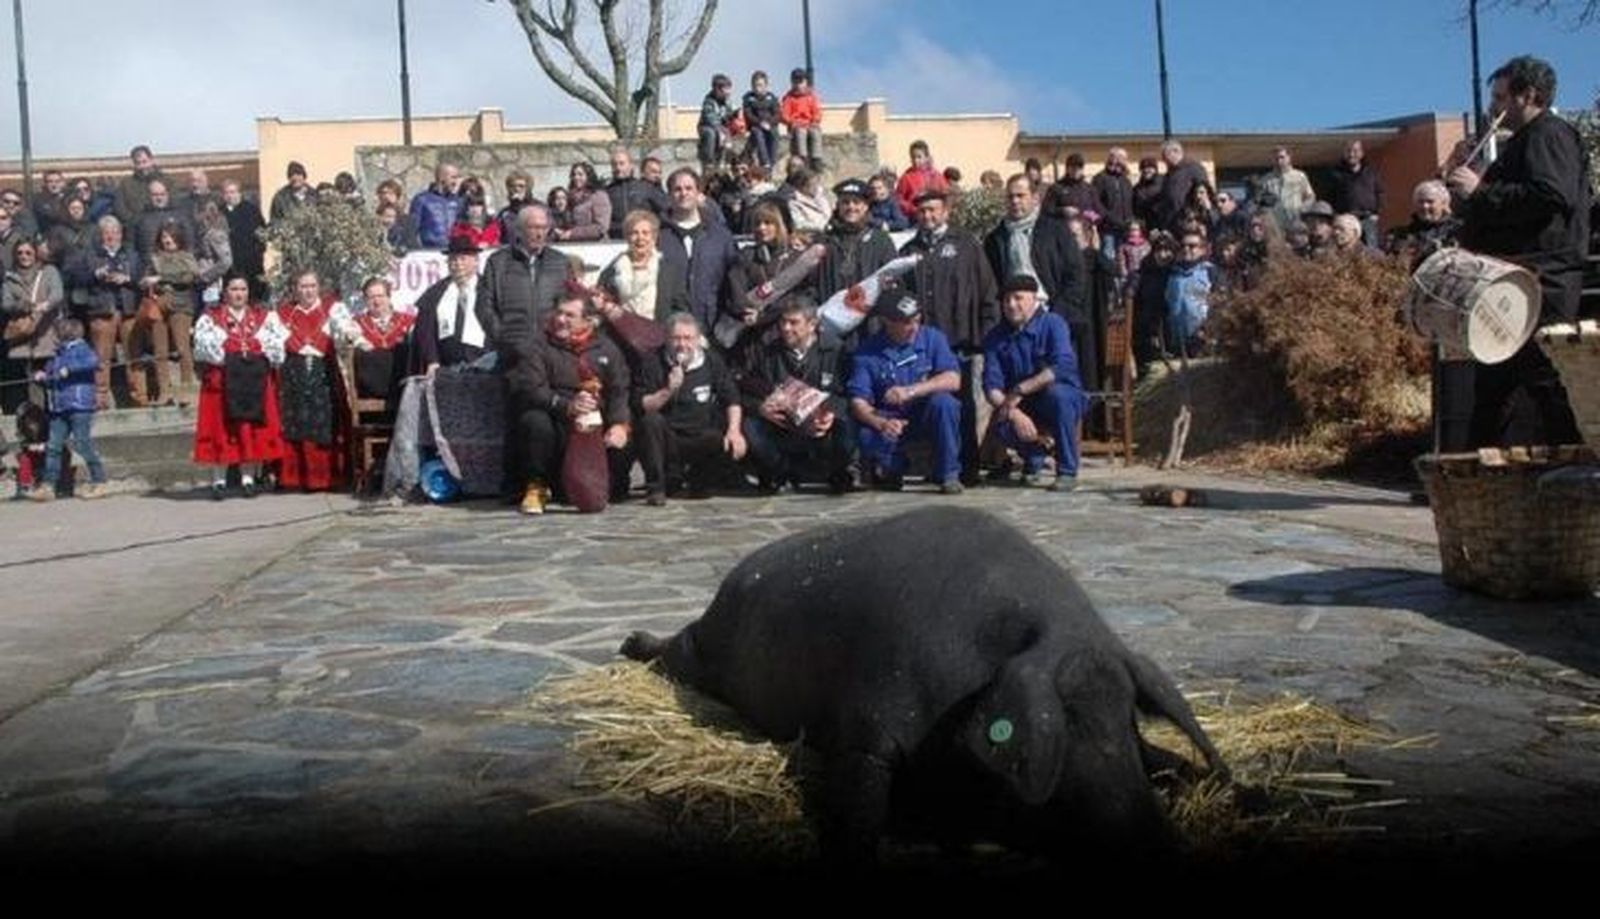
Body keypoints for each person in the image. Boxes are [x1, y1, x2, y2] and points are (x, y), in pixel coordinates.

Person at [1449, 54, 1591, 448]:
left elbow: (1551, 195)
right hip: (1519, 278)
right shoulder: (1524, 142)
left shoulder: (1549, 134)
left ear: (1527, 95)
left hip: (1542, 280)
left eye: (1500, 98)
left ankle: (1573, 466)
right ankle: (1473, 474)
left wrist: (1481, 191)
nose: (1494, 107)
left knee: (1543, 379)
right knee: (1495, 384)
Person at [901, 188, 1000, 485]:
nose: (928, 216)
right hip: (922, 346)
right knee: (931, 406)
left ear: (945, 211)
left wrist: (984, 335)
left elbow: (987, 291)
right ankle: (939, 465)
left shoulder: (967, 245)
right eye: (922, 211)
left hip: (959, 342)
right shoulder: (909, 251)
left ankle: (967, 467)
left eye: (933, 210)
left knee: (963, 407)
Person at [503, 291, 631, 515]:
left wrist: (620, 424)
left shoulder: (606, 348)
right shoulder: (538, 345)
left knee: (625, 434)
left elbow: (620, 390)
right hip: (555, 418)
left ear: (588, 320)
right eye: (559, 313)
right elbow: (533, 389)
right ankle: (536, 486)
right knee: (534, 421)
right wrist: (567, 405)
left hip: (592, 424)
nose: (561, 319)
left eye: (570, 315)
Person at [848, 289, 964, 493]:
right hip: (890, 420)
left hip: (924, 414)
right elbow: (859, 402)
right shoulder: (867, 352)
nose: (914, 327)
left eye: (917, 320)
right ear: (887, 321)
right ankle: (890, 469)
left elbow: (953, 379)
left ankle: (948, 475)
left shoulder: (932, 338)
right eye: (907, 323)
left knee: (945, 403)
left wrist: (912, 391)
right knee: (867, 436)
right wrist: (881, 423)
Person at [983, 174, 1090, 385]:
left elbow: (1076, 274)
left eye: (1021, 196)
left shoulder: (1056, 230)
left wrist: (1059, 313)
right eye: (1010, 197)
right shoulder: (996, 239)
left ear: (1035, 198)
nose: (1015, 201)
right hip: (1013, 321)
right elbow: (992, 283)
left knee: (1057, 386)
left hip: (1051, 314)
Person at [982, 274, 1086, 491]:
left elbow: (1063, 366)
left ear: (1034, 299)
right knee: (1002, 424)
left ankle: (1067, 470)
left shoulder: (1053, 324)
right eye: (1006, 300)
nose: (1011, 305)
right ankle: (1035, 455)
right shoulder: (995, 337)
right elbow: (991, 386)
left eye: (1018, 298)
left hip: (1061, 396)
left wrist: (1021, 388)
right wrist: (1014, 414)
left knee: (1059, 397)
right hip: (1020, 405)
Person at [741, 297, 855, 493]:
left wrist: (830, 413)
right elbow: (746, 390)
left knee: (848, 425)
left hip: (821, 422)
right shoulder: (768, 353)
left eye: (793, 323)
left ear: (812, 325)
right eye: (783, 322)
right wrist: (760, 408)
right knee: (751, 426)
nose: (786, 328)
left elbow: (848, 392)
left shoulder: (835, 350)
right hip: (782, 422)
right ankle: (779, 472)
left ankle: (838, 472)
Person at [192, 271, 288, 500]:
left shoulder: (262, 316)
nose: (239, 294)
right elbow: (205, 348)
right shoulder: (211, 316)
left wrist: (250, 348)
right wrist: (245, 348)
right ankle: (219, 480)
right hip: (223, 381)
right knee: (221, 428)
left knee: (250, 427)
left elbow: (275, 348)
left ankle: (248, 478)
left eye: (243, 289)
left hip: (253, 380)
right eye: (234, 289)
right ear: (225, 292)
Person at [634, 312, 746, 505]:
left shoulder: (711, 360)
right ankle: (657, 488)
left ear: (697, 340)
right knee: (650, 422)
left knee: (719, 438)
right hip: (667, 436)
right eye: (676, 338)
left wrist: (735, 430)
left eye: (688, 338)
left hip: (698, 434)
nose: (682, 344)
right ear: (667, 339)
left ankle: (699, 482)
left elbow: (732, 399)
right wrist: (668, 390)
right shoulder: (652, 360)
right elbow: (641, 404)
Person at [274, 271, 350, 492]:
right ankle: (296, 478)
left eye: (312, 286)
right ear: (295, 289)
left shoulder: (332, 310)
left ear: (318, 288)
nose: (307, 291)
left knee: (325, 424)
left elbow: (344, 335)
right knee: (295, 422)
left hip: (323, 373)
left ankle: (326, 479)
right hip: (294, 374)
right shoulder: (284, 314)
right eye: (303, 286)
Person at [30, 318, 108, 500]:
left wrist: (70, 369)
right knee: (53, 446)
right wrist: (43, 375)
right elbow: (53, 374)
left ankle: (100, 481)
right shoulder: (58, 354)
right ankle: (48, 485)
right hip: (59, 407)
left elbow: (94, 363)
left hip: (79, 406)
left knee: (82, 443)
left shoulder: (82, 349)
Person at [478, 205, 571, 358]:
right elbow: (484, 305)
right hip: (509, 351)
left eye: (544, 228)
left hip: (551, 348)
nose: (540, 234)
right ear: (519, 230)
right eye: (533, 228)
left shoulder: (560, 261)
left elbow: (568, 301)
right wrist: (501, 336)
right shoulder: (498, 262)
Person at [657, 167, 740, 335]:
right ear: (669, 195)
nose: (683, 193)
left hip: (712, 327)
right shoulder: (656, 236)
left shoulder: (720, 236)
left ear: (698, 193)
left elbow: (734, 280)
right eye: (677, 189)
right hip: (670, 329)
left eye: (689, 188)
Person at [76, 215, 141, 409]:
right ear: (101, 235)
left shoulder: (131, 254)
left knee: (134, 355)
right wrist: (96, 275)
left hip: (129, 310)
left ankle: (138, 397)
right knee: (101, 358)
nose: (111, 236)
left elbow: (141, 278)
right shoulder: (91, 254)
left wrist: (127, 279)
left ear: (121, 234)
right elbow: (78, 279)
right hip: (102, 310)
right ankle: (100, 400)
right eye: (107, 232)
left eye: (115, 232)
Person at [137, 222, 204, 405]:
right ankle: (164, 392)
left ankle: (187, 391)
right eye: (164, 236)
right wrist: (145, 282)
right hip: (158, 305)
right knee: (160, 350)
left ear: (178, 238)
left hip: (181, 305)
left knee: (183, 348)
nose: (167, 240)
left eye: (171, 236)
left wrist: (162, 277)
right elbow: (145, 279)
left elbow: (189, 277)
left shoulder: (187, 257)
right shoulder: (154, 258)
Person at [814, 178, 898, 310]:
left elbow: (893, 281)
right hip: (831, 318)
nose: (851, 207)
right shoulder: (825, 240)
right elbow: (813, 283)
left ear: (865, 206)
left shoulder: (880, 240)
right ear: (838, 206)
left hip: (871, 320)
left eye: (856, 202)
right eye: (845, 202)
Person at [412, 237, 489, 374]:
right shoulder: (436, 293)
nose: (458, 264)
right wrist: (432, 360)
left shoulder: (490, 289)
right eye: (453, 259)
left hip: (486, 364)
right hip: (447, 366)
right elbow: (424, 331)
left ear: (476, 261)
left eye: (463, 259)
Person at [598, 210, 691, 323]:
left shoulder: (669, 270)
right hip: (621, 334)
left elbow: (680, 308)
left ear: (654, 237)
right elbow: (601, 304)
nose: (640, 238)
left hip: (659, 335)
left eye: (645, 233)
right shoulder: (612, 271)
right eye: (634, 233)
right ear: (627, 237)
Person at [344, 277, 414, 417]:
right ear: (365, 300)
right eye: (371, 297)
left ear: (389, 297)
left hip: (401, 385)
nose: (376, 301)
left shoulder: (408, 321)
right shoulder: (356, 324)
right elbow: (358, 344)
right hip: (371, 388)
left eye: (380, 296)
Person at [1165, 229, 1216, 356]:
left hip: (1202, 341)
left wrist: (1207, 330)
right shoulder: (1171, 273)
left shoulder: (1211, 272)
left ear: (1203, 249)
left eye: (1192, 246)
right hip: (1176, 343)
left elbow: (1219, 304)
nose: (1186, 249)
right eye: (1183, 246)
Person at [1329, 140, 1385, 248]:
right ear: (1344, 153)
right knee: (1345, 248)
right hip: (1346, 219)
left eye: (1355, 151)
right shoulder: (1335, 174)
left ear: (1361, 153)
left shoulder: (1371, 173)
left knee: (1371, 249)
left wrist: (1376, 213)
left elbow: (1380, 193)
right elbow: (1329, 195)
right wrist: (1335, 215)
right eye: (1348, 151)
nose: (1351, 154)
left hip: (1367, 219)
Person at [605, 147, 668, 240]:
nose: (618, 168)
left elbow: (665, 210)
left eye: (622, 163)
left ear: (630, 165)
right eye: (614, 164)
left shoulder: (645, 187)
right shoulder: (607, 192)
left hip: (644, 238)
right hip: (617, 239)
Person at [220, 180, 268, 300]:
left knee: (254, 296)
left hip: (251, 263)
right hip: (229, 264)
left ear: (240, 193)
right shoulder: (219, 213)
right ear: (223, 195)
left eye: (233, 192)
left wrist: (258, 252)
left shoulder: (251, 210)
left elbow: (263, 233)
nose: (230, 195)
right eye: (227, 193)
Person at [134, 179, 198, 259]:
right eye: (155, 195)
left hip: (179, 262)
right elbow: (132, 245)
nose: (159, 198)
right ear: (149, 196)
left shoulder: (180, 215)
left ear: (167, 194)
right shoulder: (140, 218)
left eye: (162, 194)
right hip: (150, 263)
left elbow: (190, 241)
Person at [1257, 147, 1316, 232]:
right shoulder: (1266, 180)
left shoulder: (1299, 176)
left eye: (1282, 157)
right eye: (1276, 158)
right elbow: (1261, 202)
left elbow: (1311, 196)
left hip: (1296, 221)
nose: (1279, 161)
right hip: (1275, 224)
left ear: (1289, 158)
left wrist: (1302, 209)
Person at [1093, 148, 1136, 261]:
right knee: (1108, 256)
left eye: (1125, 159)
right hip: (1108, 228)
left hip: (1124, 227)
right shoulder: (1100, 178)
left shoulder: (1125, 180)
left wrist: (1130, 219)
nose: (1124, 161)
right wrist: (1108, 218)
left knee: (1123, 256)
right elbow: (1096, 203)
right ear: (1113, 158)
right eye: (1122, 158)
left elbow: (1130, 202)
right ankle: (1107, 278)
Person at [1157, 140, 1209, 232]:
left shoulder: (1194, 168)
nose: (1164, 160)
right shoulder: (1168, 176)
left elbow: (1204, 193)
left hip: (1189, 221)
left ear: (1176, 151)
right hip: (1171, 223)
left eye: (1165, 156)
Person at [409, 162, 464, 249]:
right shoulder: (422, 200)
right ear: (442, 177)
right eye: (453, 177)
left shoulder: (458, 201)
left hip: (454, 250)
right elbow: (412, 229)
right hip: (430, 251)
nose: (455, 182)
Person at [555, 162, 611, 242]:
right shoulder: (570, 197)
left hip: (596, 245)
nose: (576, 177)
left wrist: (573, 233)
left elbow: (601, 227)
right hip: (574, 244)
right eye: (574, 174)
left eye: (580, 174)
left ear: (588, 176)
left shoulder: (598, 196)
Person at [114, 145, 169, 225]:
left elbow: (175, 202)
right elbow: (120, 208)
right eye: (138, 163)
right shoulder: (125, 184)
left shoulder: (167, 180)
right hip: (136, 227)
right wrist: (136, 221)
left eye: (144, 162)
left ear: (151, 160)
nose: (142, 166)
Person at [894, 140, 949, 221]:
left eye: (919, 157)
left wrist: (944, 210)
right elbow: (899, 199)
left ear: (926, 158)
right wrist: (912, 209)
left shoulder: (936, 175)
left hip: (935, 216)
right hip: (915, 217)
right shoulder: (906, 177)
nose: (916, 160)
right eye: (913, 157)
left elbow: (945, 194)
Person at [781, 68, 823, 168]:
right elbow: (784, 115)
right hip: (797, 125)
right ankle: (802, 157)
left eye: (801, 82)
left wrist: (815, 120)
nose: (799, 85)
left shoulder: (811, 96)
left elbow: (816, 111)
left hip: (809, 123)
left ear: (805, 82)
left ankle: (816, 158)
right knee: (801, 133)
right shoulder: (789, 98)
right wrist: (791, 122)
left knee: (816, 132)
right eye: (796, 82)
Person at [742, 70, 781, 168]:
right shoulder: (748, 99)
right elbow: (748, 115)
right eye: (755, 85)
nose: (757, 88)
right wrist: (760, 123)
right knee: (758, 134)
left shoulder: (772, 98)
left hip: (770, 125)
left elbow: (777, 114)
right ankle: (765, 162)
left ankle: (772, 163)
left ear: (766, 85)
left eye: (760, 85)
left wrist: (769, 123)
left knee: (774, 133)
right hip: (756, 126)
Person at [698, 73, 737, 169]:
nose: (728, 92)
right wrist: (720, 131)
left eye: (729, 88)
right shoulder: (709, 101)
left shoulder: (727, 101)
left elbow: (726, 117)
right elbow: (710, 118)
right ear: (717, 90)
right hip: (707, 126)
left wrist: (733, 115)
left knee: (728, 138)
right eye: (726, 89)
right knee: (711, 134)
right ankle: (709, 162)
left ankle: (727, 162)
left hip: (722, 127)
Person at [1044, 153, 1098, 220]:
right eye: (1073, 167)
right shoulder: (1056, 187)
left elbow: (1099, 210)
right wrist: (1062, 211)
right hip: (1062, 227)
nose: (1076, 170)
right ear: (1067, 168)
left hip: (1083, 228)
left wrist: (1094, 217)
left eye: (1079, 167)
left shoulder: (1089, 189)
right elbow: (1046, 209)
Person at [782, 165, 832, 234]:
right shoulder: (793, 203)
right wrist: (821, 226)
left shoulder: (821, 198)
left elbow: (829, 214)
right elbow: (799, 224)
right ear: (802, 187)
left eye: (816, 183)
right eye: (812, 185)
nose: (816, 187)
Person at [496, 171, 536, 243]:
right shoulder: (504, 213)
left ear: (528, 189)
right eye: (513, 186)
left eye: (521, 186)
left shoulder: (538, 209)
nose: (517, 189)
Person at [1132, 156, 1164, 229]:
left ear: (1155, 169)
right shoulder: (1137, 188)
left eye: (1150, 168)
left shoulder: (1164, 182)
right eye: (1143, 168)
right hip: (1144, 226)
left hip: (1161, 224)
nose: (1146, 170)